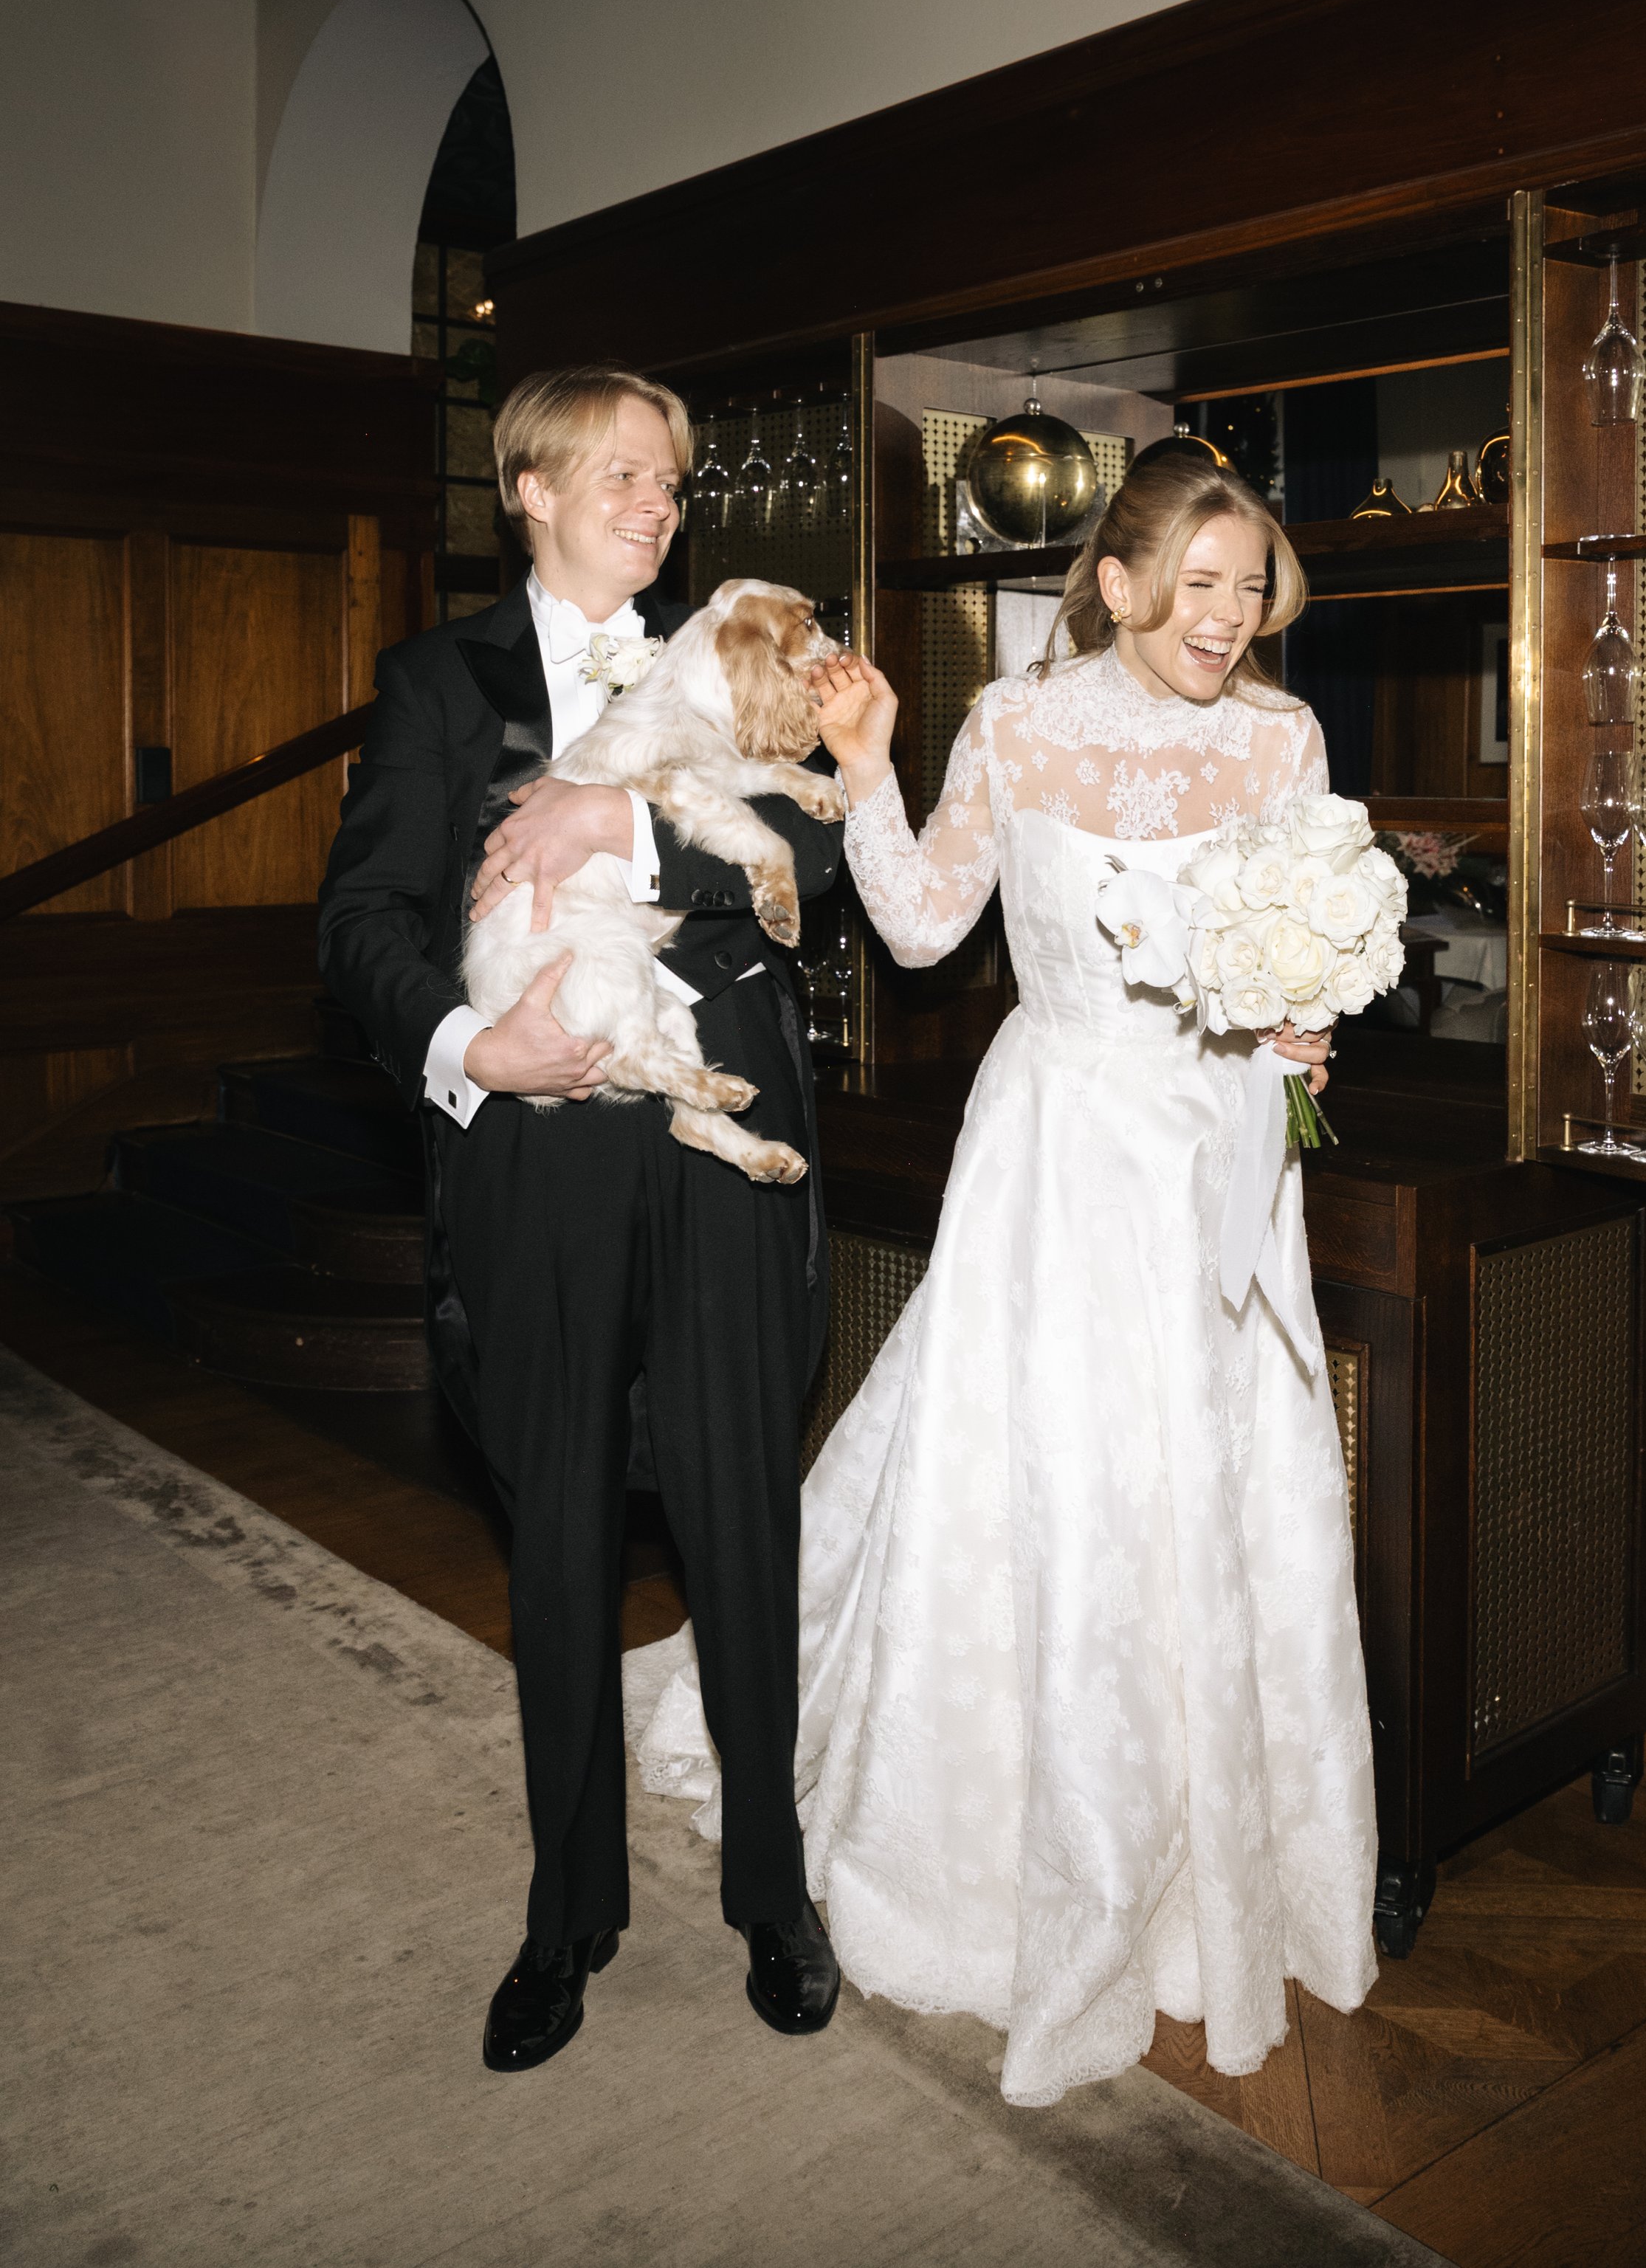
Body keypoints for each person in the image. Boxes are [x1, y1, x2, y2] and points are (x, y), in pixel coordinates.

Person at [631, 438, 1378, 2106]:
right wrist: (868, 764)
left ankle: (1213, 1870)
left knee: (1213, 1492)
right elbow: (914, 927)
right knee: (1057, 1490)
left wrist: (1302, 1028)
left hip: (1221, 1161)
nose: (1226, 614)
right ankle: (1013, 1863)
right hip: (1058, 1159)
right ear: (1113, 582)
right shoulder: (1018, 722)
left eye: (1248, 585)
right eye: (1195, 583)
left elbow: (1295, 946)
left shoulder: (1284, 736)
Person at [318, 365, 844, 2072]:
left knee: (740, 1511)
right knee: (554, 1531)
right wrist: (476, 1050)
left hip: (726, 1137)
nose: (655, 503)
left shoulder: (741, 641)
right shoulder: (435, 682)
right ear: (529, 489)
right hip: (538, 1149)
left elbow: (826, 863)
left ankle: (771, 1890)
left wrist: (618, 813)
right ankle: (568, 1914)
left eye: (670, 481)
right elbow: (363, 920)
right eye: (619, 474)